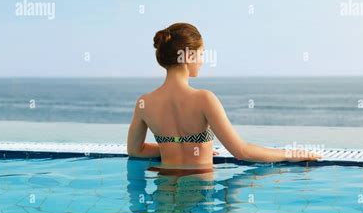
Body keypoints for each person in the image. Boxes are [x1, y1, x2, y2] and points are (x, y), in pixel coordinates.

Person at [127, 22, 320, 169]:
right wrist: (289, 153)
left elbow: (135, 150)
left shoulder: (144, 102)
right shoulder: (204, 99)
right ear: (189, 56)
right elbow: (242, 151)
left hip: (164, 195)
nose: (202, 61)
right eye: (201, 55)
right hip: (198, 196)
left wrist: (174, 147)